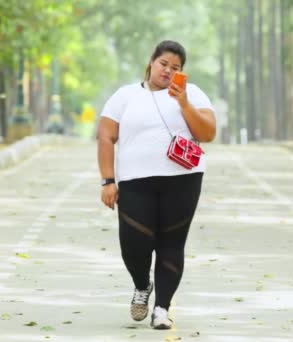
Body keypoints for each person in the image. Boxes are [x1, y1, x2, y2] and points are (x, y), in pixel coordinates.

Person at [96, 40, 216, 330]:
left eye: (176, 68)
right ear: (151, 62)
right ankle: (141, 285)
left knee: (171, 245)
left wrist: (184, 102)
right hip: (135, 182)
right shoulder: (125, 96)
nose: (168, 71)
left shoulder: (193, 94)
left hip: (184, 180)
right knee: (133, 244)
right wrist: (108, 180)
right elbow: (105, 137)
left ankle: (162, 308)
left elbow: (208, 132)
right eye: (164, 64)